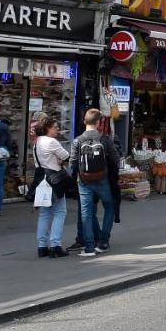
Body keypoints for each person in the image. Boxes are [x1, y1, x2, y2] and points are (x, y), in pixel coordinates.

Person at [72, 109, 121, 257]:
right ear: (98, 122)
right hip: (102, 179)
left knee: (86, 213)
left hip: (84, 181)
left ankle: (88, 248)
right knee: (109, 206)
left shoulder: (78, 140)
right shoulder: (104, 139)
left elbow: (73, 162)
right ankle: (103, 242)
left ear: (84, 122)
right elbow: (115, 159)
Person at [33, 114, 71, 258]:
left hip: (41, 179)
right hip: (54, 179)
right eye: (55, 127)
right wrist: (61, 161)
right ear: (48, 128)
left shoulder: (37, 142)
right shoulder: (52, 142)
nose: (58, 129)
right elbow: (66, 156)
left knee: (44, 213)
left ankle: (42, 246)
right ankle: (55, 245)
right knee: (60, 211)